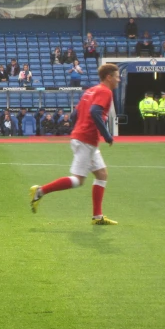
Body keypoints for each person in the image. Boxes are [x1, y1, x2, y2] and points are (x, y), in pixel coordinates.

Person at [29, 64, 120, 225]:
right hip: (86, 139)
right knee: (78, 180)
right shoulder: (105, 91)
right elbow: (94, 112)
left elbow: (74, 114)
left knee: (102, 175)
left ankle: (97, 216)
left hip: (83, 137)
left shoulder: (90, 91)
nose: (119, 79)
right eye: (117, 76)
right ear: (109, 77)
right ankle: (40, 191)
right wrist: (106, 134)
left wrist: (79, 129)